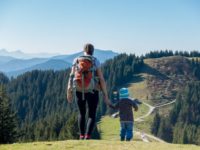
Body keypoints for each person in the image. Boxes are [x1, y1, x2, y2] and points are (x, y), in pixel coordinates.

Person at [67, 43, 113, 140]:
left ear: (83, 50)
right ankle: (87, 136)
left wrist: (69, 90)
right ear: (92, 51)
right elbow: (101, 78)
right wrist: (105, 95)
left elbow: (71, 76)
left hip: (79, 89)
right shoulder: (95, 60)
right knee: (91, 114)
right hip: (93, 90)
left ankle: (81, 135)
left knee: (81, 113)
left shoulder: (76, 60)